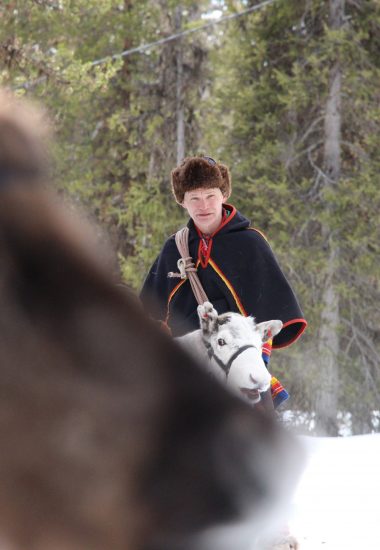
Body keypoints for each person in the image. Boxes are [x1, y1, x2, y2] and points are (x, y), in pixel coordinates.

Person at [140, 155, 307, 412]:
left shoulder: (250, 244)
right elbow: (150, 313)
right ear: (183, 201)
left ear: (224, 195)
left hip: (237, 372)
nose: (203, 205)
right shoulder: (174, 249)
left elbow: (271, 314)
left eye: (210, 196)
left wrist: (254, 364)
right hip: (184, 374)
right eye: (194, 198)